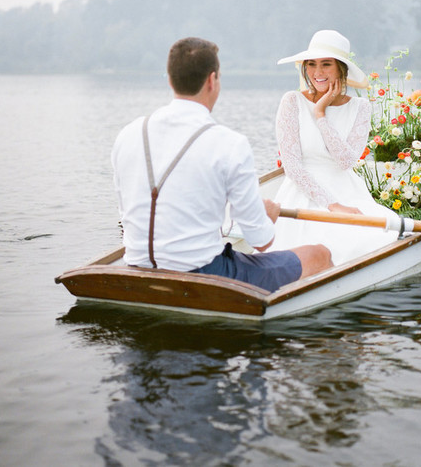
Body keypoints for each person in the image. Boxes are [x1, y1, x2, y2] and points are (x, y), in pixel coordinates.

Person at [111, 37, 331, 293]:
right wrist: (267, 216)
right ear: (212, 80)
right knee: (319, 254)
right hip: (206, 275)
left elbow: (126, 213)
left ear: (170, 80)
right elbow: (261, 241)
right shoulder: (230, 144)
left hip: (136, 267)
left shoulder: (128, 134)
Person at [268, 29, 399, 266]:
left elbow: (345, 161)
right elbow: (292, 166)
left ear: (341, 68)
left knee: (380, 235)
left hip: (346, 189)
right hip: (303, 191)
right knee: (322, 240)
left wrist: (321, 114)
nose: (317, 72)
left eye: (326, 64)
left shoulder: (360, 107)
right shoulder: (292, 101)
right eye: (311, 64)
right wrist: (332, 205)